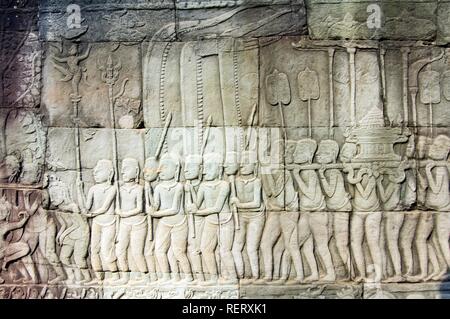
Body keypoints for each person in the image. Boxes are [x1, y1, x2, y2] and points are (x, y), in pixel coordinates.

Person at [151, 153, 193, 283]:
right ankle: (167, 275)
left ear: (175, 170)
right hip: (165, 222)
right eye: (160, 167)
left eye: (165, 167)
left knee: (178, 252)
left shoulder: (179, 187)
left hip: (179, 222)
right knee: (159, 250)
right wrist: (151, 206)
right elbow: (156, 204)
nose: (160, 170)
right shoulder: (158, 188)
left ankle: (188, 276)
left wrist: (155, 214)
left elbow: (174, 209)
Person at [77, 159, 120, 284]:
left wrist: (91, 214)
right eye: (94, 170)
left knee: (106, 250)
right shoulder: (93, 189)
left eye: (99, 170)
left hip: (109, 222)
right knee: (94, 250)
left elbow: (105, 207)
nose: (95, 172)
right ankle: (99, 277)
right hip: (97, 222)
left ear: (110, 174)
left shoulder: (112, 189)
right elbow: (86, 206)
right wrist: (79, 189)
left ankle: (115, 275)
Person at [231, 151, 265, 283]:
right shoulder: (236, 181)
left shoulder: (256, 181)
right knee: (236, 248)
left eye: (246, 162)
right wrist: (232, 200)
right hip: (241, 217)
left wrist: (238, 204)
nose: (242, 165)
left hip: (256, 217)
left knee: (251, 248)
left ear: (254, 165)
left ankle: (256, 276)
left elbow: (256, 203)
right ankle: (241, 275)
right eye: (241, 163)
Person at [115, 158, 147, 284]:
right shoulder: (120, 189)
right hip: (124, 223)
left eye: (127, 168)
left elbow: (139, 208)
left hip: (138, 223)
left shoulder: (139, 189)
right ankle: (125, 276)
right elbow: (117, 207)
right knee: (120, 250)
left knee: (136, 252)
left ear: (136, 171)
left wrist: (124, 213)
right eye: (122, 168)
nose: (123, 171)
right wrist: (119, 212)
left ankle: (145, 277)